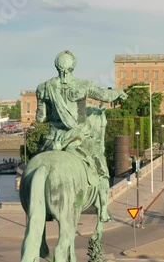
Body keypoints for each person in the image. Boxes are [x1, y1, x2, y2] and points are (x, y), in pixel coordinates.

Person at [35, 50, 128, 223]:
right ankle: (103, 211)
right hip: (76, 138)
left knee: (34, 165)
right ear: (73, 66)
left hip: (52, 139)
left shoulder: (43, 88)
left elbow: (40, 118)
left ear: (56, 66)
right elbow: (106, 96)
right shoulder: (83, 86)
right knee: (101, 171)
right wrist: (119, 92)